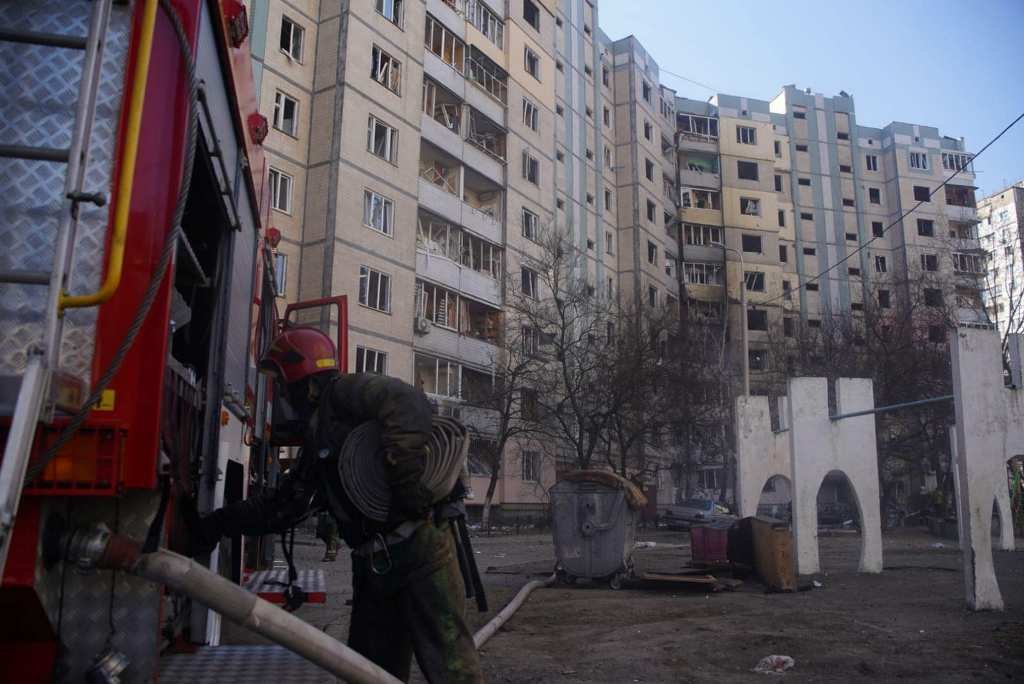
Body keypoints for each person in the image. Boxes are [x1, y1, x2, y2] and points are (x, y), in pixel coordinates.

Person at [185, 327, 484, 683]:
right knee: (370, 674)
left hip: (422, 553)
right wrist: (217, 524)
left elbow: (408, 402)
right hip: (375, 566)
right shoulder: (319, 436)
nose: (280, 393)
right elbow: (283, 507)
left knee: (452, 671)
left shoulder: (345, 392)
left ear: (301, 377)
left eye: (281, 383)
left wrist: (405, 483)